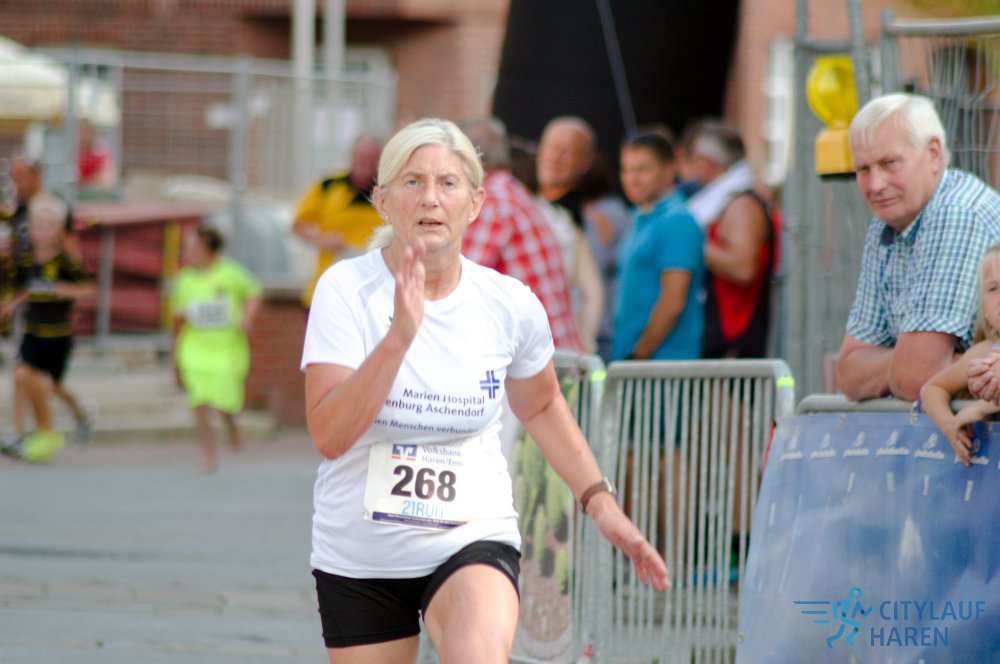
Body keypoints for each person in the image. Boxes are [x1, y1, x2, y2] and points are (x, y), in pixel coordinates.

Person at [300, 118, 669, 663]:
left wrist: (601, 504)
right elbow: (330, 436)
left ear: (474, 204)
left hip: (471, 537)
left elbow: (542, 404)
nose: (430, 198)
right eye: (413, 182)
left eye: (448, 183)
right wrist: (398, 339)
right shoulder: (346, 290)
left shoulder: (508, 303)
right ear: (382, 201)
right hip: (361, 553)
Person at [835, 92, 1000, 401]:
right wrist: (918, 364)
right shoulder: (886, 223)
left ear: (933, 154)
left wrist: (916, 368)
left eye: (890, 163)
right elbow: (848, 373)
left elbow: (914, 379)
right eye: (863, 169)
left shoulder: (957, 212)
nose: (875, 185)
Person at [458, 116, 584, 351]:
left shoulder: (491, 200)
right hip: (557, 354)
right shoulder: (509, 190)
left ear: (466, 158)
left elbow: (456, 282)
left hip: (540, 360)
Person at [0, 194, 94, 462]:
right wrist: (11, 305)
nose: (40, 232)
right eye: (36, 226)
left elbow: (88, 288)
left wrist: (62, 289)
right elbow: (27, 289)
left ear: (57, 231)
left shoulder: (65, 262)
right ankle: (28, 432)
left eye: (47, 226)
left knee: (50, 386)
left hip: (57, 334)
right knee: (22, 375)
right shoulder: (28, 260)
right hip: (34, 330)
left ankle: (79, 412)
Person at [682, 121, 778, 359]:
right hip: (722, 335)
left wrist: (690, 241)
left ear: (708, 162)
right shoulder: (726, 201)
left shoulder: (741, 205)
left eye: (694, 159)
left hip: (734, 339)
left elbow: (743, 268)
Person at [170, 225, 262, 473]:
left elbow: (254, 291)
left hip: (226, 350)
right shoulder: (185, 279)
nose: (188, 252)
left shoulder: (230, 273)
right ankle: (209, 456)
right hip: (194, 350)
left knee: (224, 403)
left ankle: (231, 427)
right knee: (199, 403)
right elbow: (177, 315)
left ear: (208, 250)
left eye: (193, 247)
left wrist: (247, 317)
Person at [613, 131, 705, 361]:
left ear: (669, 170)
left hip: (661, 366)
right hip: (632, 359)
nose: (632, 179)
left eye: (642, 170)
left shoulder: (677, 220)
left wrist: (639, 355)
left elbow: (673, 300)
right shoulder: (638, 216)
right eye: (626, 170)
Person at [921, 243, 1000, 466]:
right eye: (993, 289)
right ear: (984, 308)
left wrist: (984, 407)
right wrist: (951, 425)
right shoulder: (984, 352)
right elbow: (933, 388)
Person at [535, 116, 605, 353]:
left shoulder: (592, 221)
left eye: (567, 152)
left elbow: (592, 294)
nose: (555, 158)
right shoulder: (524, 204)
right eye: (551, 148)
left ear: (585, 163)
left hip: (562, 347)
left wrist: (582, 348)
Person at [292, 134, 382, 309]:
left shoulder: (389, 191)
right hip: (330, 284)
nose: (365, 164)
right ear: (352, 156)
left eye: (370, 159)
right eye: (361, 158)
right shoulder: (328, 186)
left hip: (372, 290)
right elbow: (297, 225)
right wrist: (321, 239)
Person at [578, 153, 630, 362]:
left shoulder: (600, 216)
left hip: (601, 327)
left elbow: (594, 265)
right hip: (606, 323)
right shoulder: (618, 209)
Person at [77, 118, 117, 193]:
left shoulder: (99, 150)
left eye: (86, 132)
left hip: (96, 191)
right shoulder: (74, 152)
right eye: (81, 132)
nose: (83, 136)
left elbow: (105, 178)